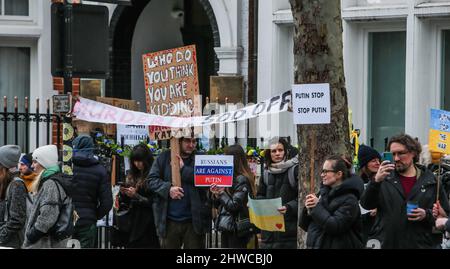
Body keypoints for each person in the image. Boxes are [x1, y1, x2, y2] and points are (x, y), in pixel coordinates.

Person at [360, 134, 450, 249]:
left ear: (413, 153)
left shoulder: (432, 181)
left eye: (401, 153)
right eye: (393, 154)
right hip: (388, 243)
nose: (396, 158)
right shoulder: (384, 178)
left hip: (421, 244)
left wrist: (426, 215)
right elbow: (366, 204)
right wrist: (376, 182)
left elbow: (444, 217)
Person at [146, 137, 211, 249]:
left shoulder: (201, 158)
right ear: (178, 141)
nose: (191, 145)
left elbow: (206, 180)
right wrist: (168, 189)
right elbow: (151, 180)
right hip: (169, 221)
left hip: (194, 222)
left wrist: (183, 170)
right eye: (187, 141)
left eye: (194, 141)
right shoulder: (164, 157)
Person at [299, 155, 364, 249]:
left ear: (339, 174)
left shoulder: (350, 199)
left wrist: (317, 207)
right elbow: (305, 225)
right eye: (322, 171)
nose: (322, 175)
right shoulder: (321, 193)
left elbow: (335, 226)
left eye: (326, 171)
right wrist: (308, 209)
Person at [22, 145, 70, 248]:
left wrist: (31, 236)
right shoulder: (51, 181)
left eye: (35, 162)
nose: (32, 166)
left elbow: (47, 218)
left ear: (44, 163)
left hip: (46, 243)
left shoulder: (50, 184)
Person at [210, 144, 257, 248]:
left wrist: (222, 194)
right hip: (228, 227)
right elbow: (218, 205)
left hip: (237, 229)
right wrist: (216, 194)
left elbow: (234, 205)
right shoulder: (228, 178)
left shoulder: (241, 179)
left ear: (234, 160)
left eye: (226, 157)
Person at [71, 135, 112, 248]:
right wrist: (94, 215)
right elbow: (107, 202)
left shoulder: (67, 167)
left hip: (66, 219)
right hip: (87, 221)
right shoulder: (100, 170)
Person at [257, 137, 298, 249]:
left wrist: (289, 207)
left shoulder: (294, 170)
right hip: (269, 234)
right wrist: (257, 205)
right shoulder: (266, 172)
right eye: (273, 151)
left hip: (289, 235)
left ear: (286, 151)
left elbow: (302, 198)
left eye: (280, 150)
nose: (277, 153)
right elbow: (260, 195)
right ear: (269, 154)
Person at [116, 144, 159, 248]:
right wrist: (123, 193)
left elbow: (155, 201)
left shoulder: (154, 175)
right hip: (132, 222)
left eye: (140, 161)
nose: (137, 164)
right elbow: (126, 202)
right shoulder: (132, 174)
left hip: (148, 223)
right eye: (135, 161)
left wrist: (136, 196)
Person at [0, 145, 27, 248]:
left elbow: (17, 220)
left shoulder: (16, 185)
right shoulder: (5, 182)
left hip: (10, 244)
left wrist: (1, 236)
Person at [357, 145, 381, 246]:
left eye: (378, 160)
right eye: (373, 161)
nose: (378, 163)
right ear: (365, 164)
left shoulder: (384, 180)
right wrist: (367, 215)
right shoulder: (357, 183)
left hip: (380, 233)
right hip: (363, 234)